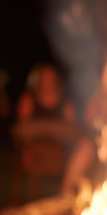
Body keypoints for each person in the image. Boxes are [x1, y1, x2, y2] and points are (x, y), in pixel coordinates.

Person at [15, 64, 95, 194]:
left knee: (80, 142)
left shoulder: (65, 103)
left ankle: (66, 191)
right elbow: (22, 129)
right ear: (39, 80)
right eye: (45, 77)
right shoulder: (29, 100)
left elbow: (71, 130)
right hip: (37, 153)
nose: (49, 81)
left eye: (51, 77)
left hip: (60, 153)